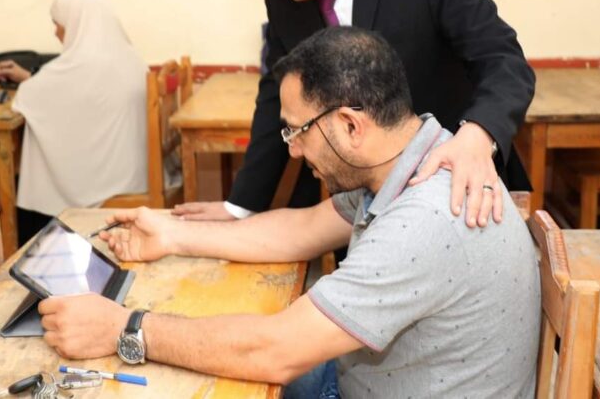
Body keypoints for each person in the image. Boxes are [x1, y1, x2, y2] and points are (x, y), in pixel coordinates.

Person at [38, 28, 541, 398]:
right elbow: (303, 227)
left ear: (351, 125)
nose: (294, 150)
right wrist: (172, 234)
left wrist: (125, 328)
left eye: (297, 131)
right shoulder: (417, 154)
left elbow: (275, 350)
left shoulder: (424, 220)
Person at [174, 0, 534, 227]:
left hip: (453, 191)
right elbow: (277, 94)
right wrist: (241, 205)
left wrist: (477, 135)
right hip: (354, 208)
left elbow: (503, 60)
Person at [2, 0, 148, 243]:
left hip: (109, 183)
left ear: (75, 23)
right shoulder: (127, 55)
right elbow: (65, 91)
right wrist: (28, 77)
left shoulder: (84, 63)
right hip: (131, 171)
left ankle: (35, 248)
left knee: (35, 175)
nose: (56, 32)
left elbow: (28, 97)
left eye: (58, 24)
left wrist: (26, 81)